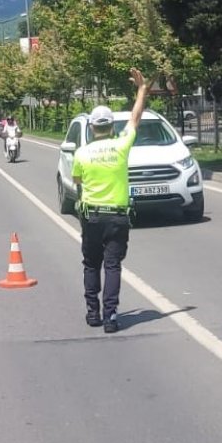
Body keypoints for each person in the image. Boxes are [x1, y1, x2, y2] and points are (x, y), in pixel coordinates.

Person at [72, 68, 148, 333]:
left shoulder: (82, 153)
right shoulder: (121, 145)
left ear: (92, 128)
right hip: (117, 217)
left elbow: (78, 182)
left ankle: (93, 312)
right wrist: (141, 90)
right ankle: (111, 316)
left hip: (92, 217)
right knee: (113, 265)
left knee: (91, 264)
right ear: (111, 127)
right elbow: (136, 117)